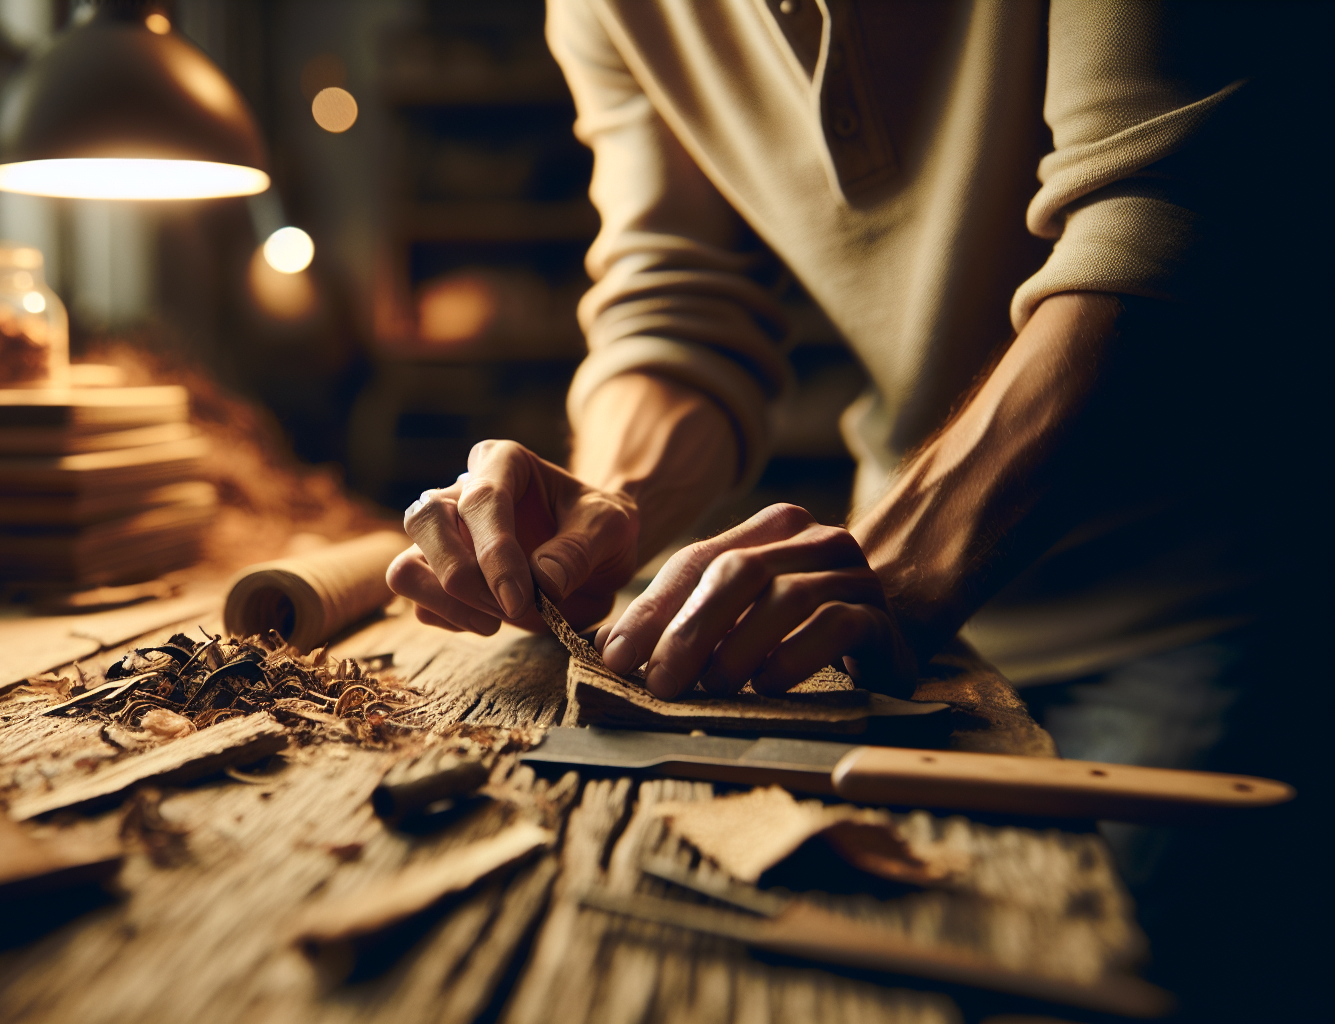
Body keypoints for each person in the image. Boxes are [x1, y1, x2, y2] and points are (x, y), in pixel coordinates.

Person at [387, 1, 1325, 1018]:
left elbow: (1167, 217)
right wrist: (609, 503)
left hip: (1205, 596)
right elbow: (679, 297)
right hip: (926, 640)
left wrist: (904, 561)